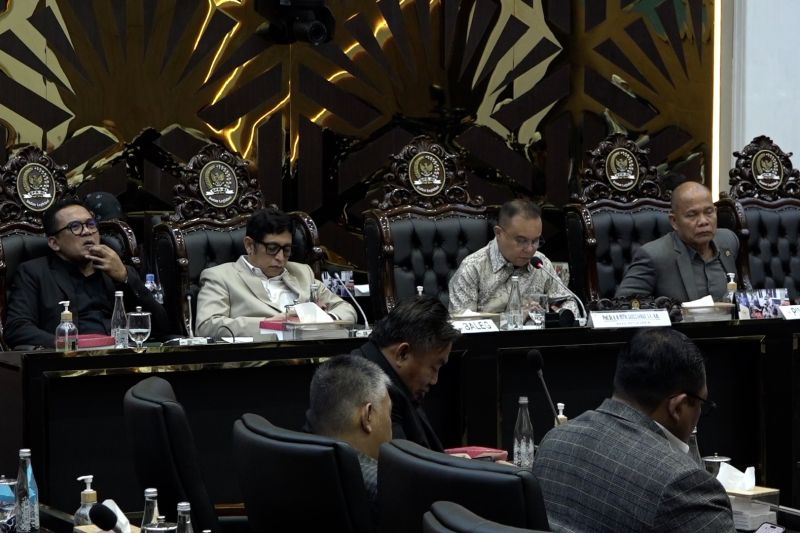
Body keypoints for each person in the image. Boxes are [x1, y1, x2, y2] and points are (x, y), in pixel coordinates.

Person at [533, 328, 735, 532]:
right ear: (678, 407)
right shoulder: (683, 484)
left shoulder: (554, 442)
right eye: (701, 404)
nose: (700, 413)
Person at [5, 198, 168, 348]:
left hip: (120, 357)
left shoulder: (117, 270)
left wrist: (126, 277)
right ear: (54, 243)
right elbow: (17, 329)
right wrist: (68, 344)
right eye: (75, 227)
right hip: (70, 361)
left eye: (91, 224)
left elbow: (162, 326)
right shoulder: (34, 273)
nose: (87, 232)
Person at [306, 295, 459, 452]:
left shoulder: (361, 366)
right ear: (402, 354)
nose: (434, 380)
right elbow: (405, 464)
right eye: (434, 367)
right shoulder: (374, 395)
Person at [195, 207, 356, 338]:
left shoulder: (302, 272)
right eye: (272, 248)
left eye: (286, 249)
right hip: (261, 359)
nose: (280, 258)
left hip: (313, 352)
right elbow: (206, 326)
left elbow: (346, 309)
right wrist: (269, 324)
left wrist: (324, 319)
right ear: (250, 245)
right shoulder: (220, 276)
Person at [448, 199, 577, 315]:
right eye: (521, 240)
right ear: (498, 233)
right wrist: (512, 318)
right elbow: (461, 324)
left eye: (535, 241)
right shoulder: (472, 268)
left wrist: (557, 315)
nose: (530, 249)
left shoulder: (541, 264)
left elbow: (569, 302)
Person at [616, 180, 739, 302]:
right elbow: (622, 305)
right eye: (692, 215)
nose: (703, 221)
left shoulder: (729, 241)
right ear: (674, 221)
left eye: (708, 212)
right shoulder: (653, 256)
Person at [307, 354, 393, 523]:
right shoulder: (389, 488)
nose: (391, 426)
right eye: (389, 413)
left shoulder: (296, 469)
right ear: (368, 416)